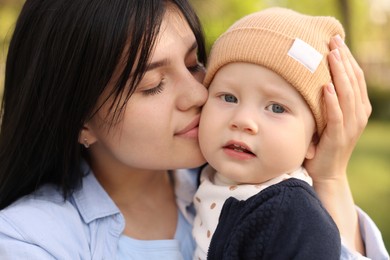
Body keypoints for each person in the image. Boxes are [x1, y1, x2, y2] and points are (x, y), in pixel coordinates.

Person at [0, 0, 387, 259]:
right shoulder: (31, 238)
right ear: (80, 120)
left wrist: (331, 177)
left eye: (193, 63)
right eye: (152, 85)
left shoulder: (250, 188)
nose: (198, 93)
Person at [192, 8, 348, 259]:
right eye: (229, 97)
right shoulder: (200, 173)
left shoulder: (294, 216)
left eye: (276, 108)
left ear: (314, 140)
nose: (243, 121)